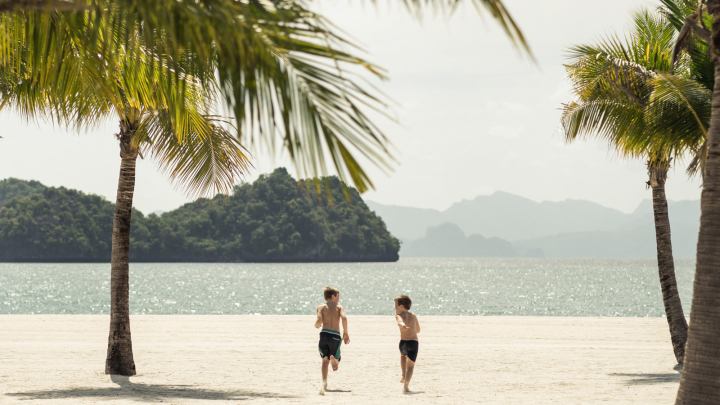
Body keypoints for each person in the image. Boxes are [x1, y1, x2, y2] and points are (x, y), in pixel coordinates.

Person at [315, 286, 350, 395]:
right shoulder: (339, 307)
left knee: (324, 360)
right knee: (336, 363)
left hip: (324, 335)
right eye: (338, 296)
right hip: (335, 336)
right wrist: (346, 333)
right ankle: (334, 359)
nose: (339, 298)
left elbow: (319, 320)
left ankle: (324, 383)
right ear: (333, 296)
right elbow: (344, 318)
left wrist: (317, 324)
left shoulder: (321, 307)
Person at [395, 294, 420, 394]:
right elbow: (418, 330)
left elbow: (399, 321)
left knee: (403, 356)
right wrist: (408, 327)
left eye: (396, 305)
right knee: (410, 366)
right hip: (413, 343)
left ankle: (403, 375)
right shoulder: (413, 316)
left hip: (403, 342)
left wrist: (403, 325)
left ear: (401, 306)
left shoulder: (398, 315)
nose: (394, 308)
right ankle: (406, 386)